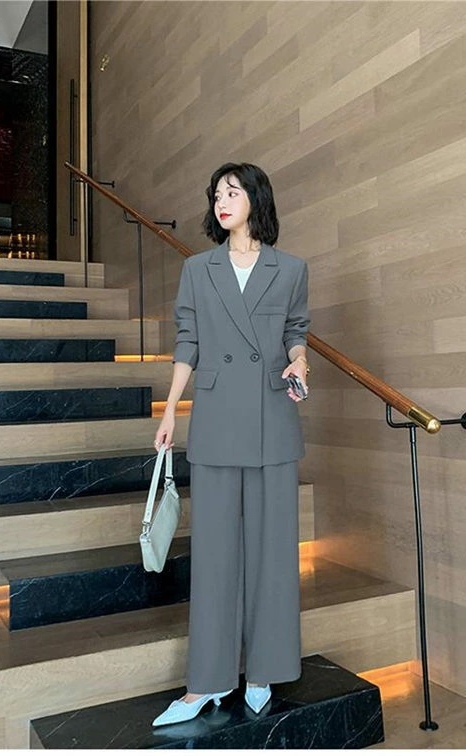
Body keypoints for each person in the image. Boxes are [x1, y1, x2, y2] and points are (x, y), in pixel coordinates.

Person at [151, 162, 310, 726]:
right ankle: (207, 681)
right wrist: (170, 410)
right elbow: (188, 341)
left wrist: (299, 361)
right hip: (217, 418)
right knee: (215, 556)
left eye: (233, 192)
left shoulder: (291, 269)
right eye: (216, 193)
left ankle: (264, 669)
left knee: (272, 553)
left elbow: (295, 332)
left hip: (271, 418)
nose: (222, 201)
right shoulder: (198, 268)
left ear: (255, 200)